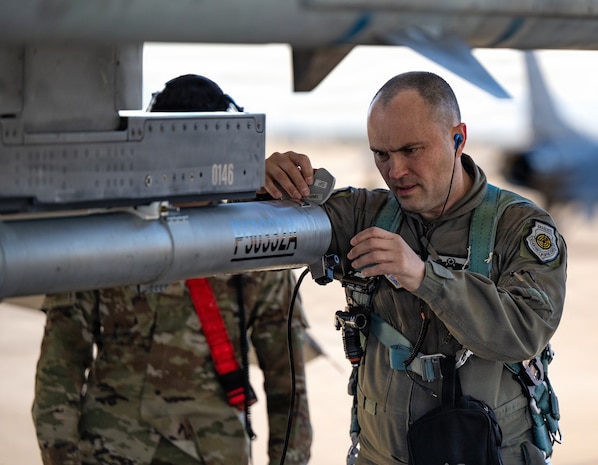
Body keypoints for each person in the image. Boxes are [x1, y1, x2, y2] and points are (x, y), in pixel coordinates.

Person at [264, 71, 567, 465]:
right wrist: (262, 183)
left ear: (458, 138)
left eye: (411, 150)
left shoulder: (519, 228)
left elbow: (526, 330)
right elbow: (249, 236)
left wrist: (424, 276)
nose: (395, 171)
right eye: (382, 154)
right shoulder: (363, 214)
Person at [32, 74, 312, 465]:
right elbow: (60, 367)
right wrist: (61, 456)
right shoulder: (110, 235)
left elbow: (289, 385)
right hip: (112, 449)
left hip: (213, 450)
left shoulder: (252, 239)